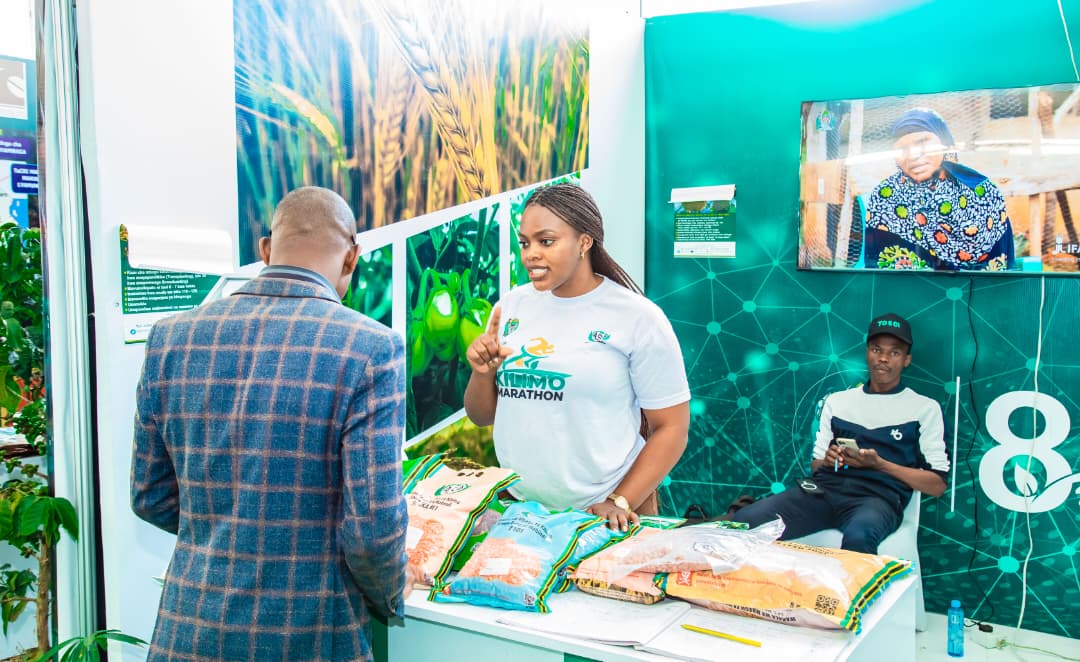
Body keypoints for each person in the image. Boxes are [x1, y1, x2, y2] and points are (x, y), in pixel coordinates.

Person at [131, 186, 410, 661]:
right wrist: (390, 594)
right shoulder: (370, 348)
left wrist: (229, 535)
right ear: (352, 257)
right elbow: (372, 529)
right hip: (309, 633)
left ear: (265, 250)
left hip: (189, 630)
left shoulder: (171, 337)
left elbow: (150, 495)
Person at [463, 183, 691, 531]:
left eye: (546, 241)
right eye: (524, 243)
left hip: (606, 512)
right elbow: (481, 416)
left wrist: (619, 501)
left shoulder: (637, 317)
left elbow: (672, 428)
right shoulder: (512, 306)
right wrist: (482, 372)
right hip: (523, 510)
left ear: (584, 242)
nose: (530, 254)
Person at [730, 313, 950, 554]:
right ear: (867, 352)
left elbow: (937, 485)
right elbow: (816, 466)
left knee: (860, 537)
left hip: (877, 500)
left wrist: (880, 465)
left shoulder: (924, 408)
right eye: (876, 349)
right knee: (744, 521)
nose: (883, 358)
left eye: (894, 352)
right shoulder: (837, 402)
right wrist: (829, 460)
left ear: (906, 360)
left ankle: (849, 581)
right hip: (824, 491)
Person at [863, 107, 1015, 271]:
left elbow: (1002, 270)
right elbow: (879, 272)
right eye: (902, 149)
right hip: (910, 287)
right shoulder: (885, 197)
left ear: (944, 143)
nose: (913, 155)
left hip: (981, 287)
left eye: (922, 142)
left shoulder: (983, 192)